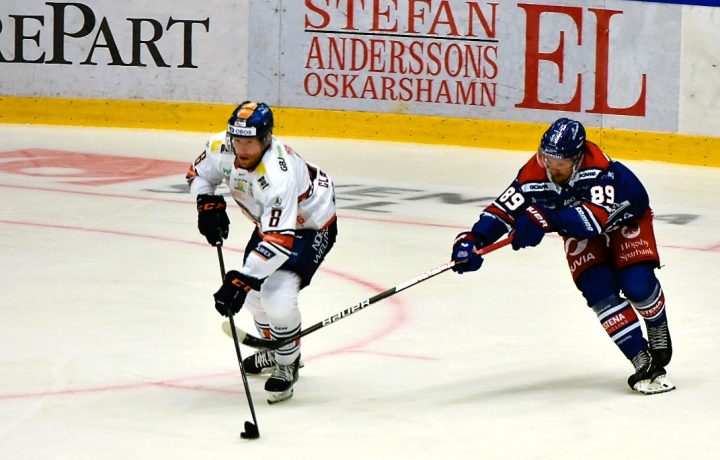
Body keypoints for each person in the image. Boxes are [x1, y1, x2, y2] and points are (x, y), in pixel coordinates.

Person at [450, 117, 675, 395]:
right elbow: (505, 209)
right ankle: (643, 361)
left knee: (636, 284)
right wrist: (474, 239)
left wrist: (544, 218)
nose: (552, 168)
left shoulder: (599, 169)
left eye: (560, 163)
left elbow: (594, 221)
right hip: (574, 227)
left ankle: (656, 322)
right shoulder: (536, 170)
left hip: (624, 219)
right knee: (597, 289)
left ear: (577, 158)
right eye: (548, 159)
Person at [186, 101, 338, 403]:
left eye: (250, 142)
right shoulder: (221, 146)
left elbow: (280, 243)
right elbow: (199, 174)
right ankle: (273, 349)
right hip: (273, 224)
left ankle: (287, 362)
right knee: (255, 295)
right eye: (237, 140)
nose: (242, 149)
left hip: (312, 225)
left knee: (276, 295)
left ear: (266, 138)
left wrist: (239, 280)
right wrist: (206, 202)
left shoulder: (279, 174)